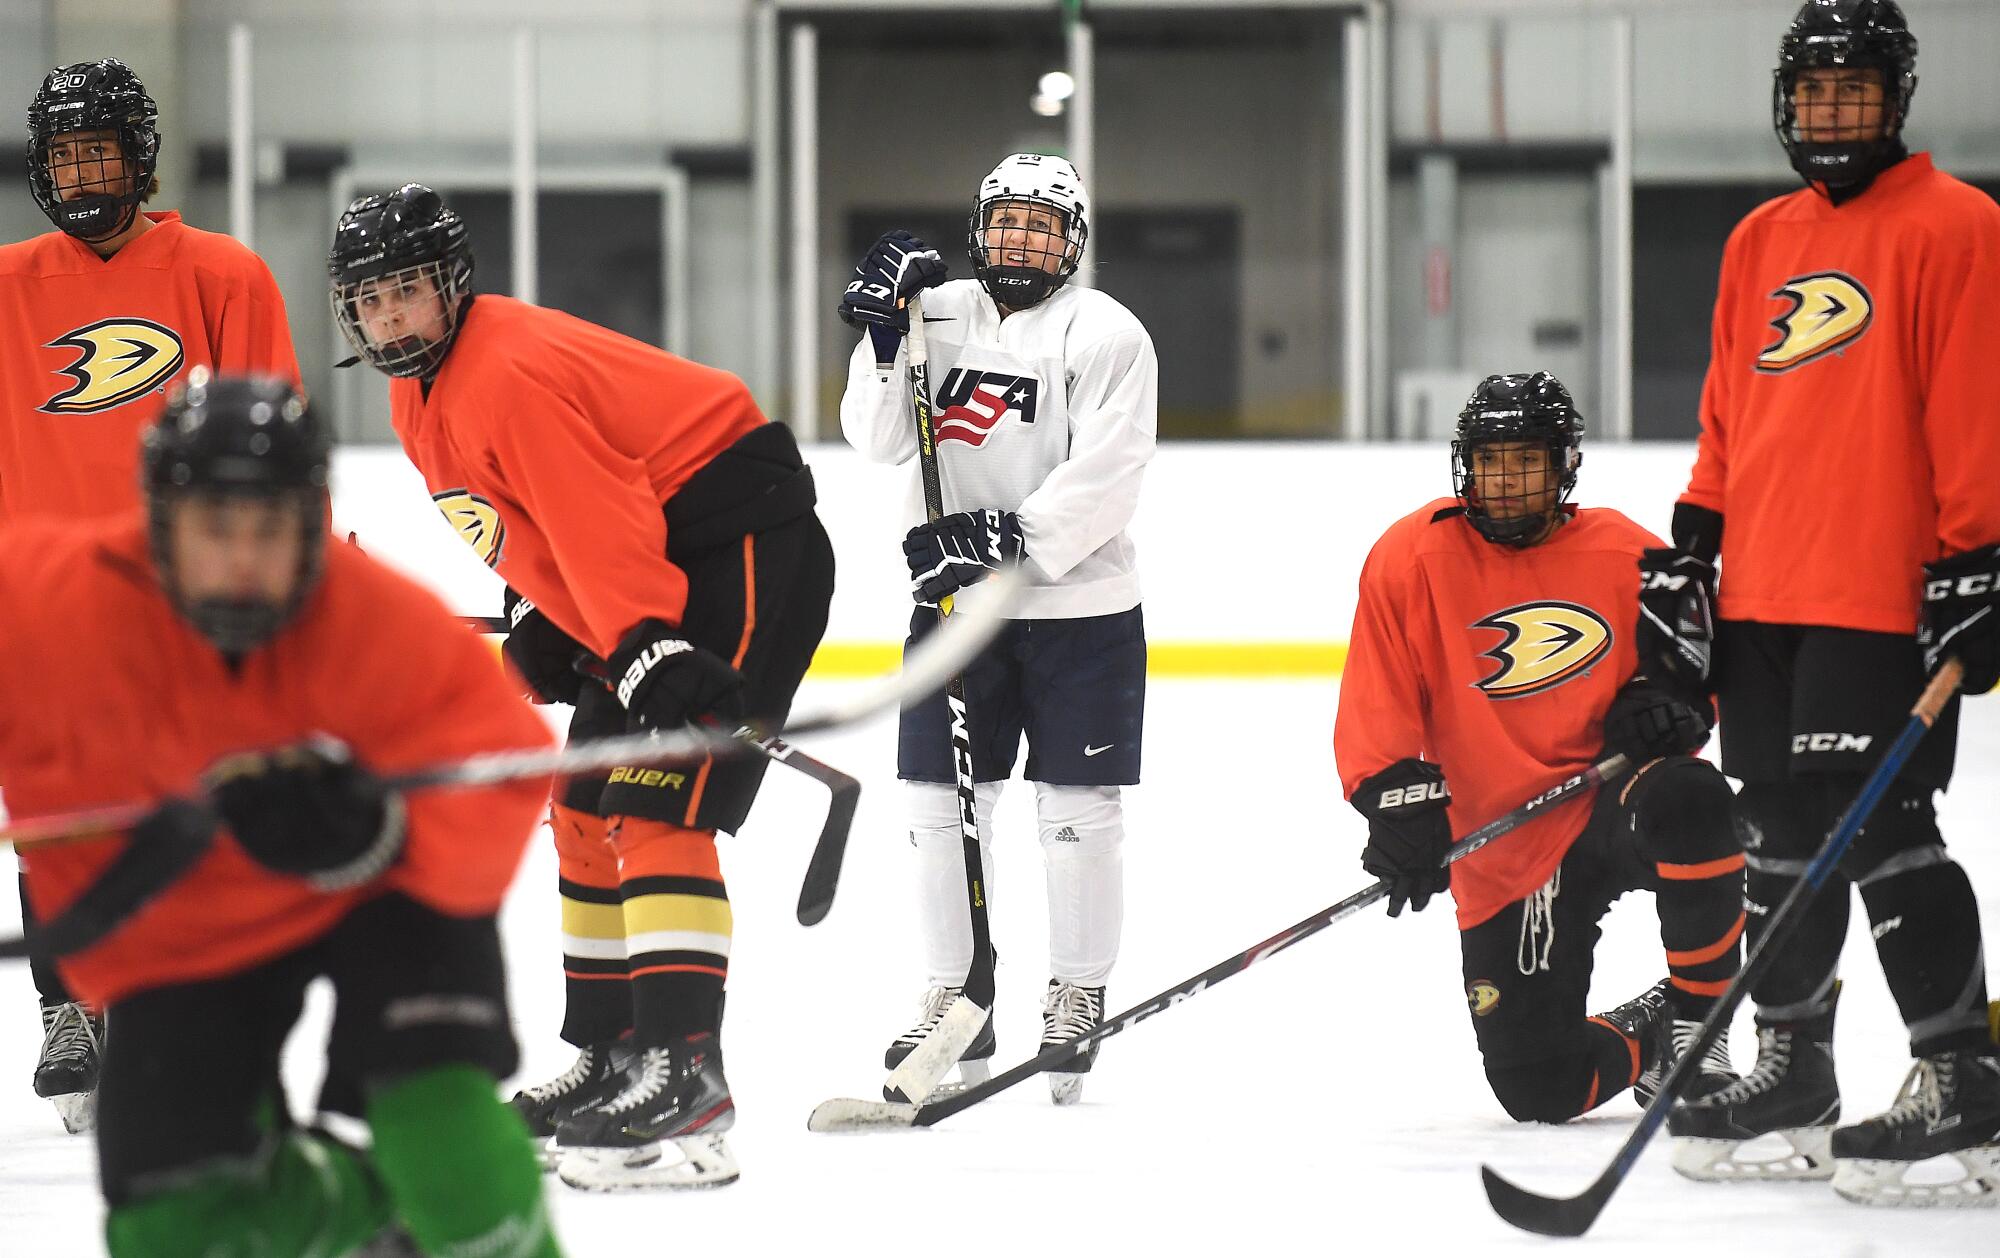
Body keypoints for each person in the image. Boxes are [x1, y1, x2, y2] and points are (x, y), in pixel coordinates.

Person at [328, 183, 834, 1190]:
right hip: (654, 566)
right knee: (579, 808)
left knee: (653, 807)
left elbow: (594, 508)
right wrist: (547, 621)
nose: (388, 317)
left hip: (738, 548)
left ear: (451, 285)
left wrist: (640, 637)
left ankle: (686, 1068)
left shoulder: (499, 372)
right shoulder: (417, 389)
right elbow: (527, 523)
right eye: (370, 299)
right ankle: (613, 1056)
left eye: (406, 293)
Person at [0, 375, 561, 1257]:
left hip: (384, 896)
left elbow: (502, 765)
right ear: (156, 522)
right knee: (170, 1221)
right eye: (214, 529)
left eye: (270, 530)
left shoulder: (373, 618)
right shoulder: (44, 605)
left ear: (311, 523)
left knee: (439, 1134)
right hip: (191, 927)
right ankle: (359, 1212)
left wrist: (379, 836)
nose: (243, 561)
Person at [1650, 0, 2000, 1207]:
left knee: (1885, 827)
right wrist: (1695, 546)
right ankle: (1794, 1074)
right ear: (1784, 100)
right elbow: (1725, 413)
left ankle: (1959, 1077)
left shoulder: (1957, 227)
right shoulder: (1758, 238)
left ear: (1894, 99)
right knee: (1780, 839)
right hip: (1765, 595)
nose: (1830, 112)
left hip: (1876, 596)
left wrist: (1978, 558)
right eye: (1813, 91)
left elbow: (1973, 406)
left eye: (1853, 90)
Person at [0, 56, 300, 1133]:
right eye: (65, 151)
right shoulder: (5, 285)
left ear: (140, 154)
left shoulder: (220, 274)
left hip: (183, 601)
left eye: (100, 149)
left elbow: (278, 439)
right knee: (51, 812)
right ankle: (67, 1004)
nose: (83, 170)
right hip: (41, 598)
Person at [1333, 372, 1746, 1126]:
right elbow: (1375, 707)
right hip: (1505, 850)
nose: (1506, 481)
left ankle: (1700, 1029)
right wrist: (1399, 813)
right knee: (1540, 1087)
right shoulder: (1410, 558)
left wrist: (1674, 707)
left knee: (1693, 798)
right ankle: (1652, 1034)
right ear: (1465, 468)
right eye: (1490, 462)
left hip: (1611, 801)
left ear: (1565, 467)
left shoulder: (1629, 552)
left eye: (1526, 460)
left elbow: (1703, 672)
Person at [837, 153, 1157, 1104]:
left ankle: (1076, 993)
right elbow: (877, 436)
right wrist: (883, 342)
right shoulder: (932, 313)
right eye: (1008, 222)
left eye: (1043, 226)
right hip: (953, 610)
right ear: (979, 228)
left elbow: (1111, 472)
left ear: (1073, 242)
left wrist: (1005, 534)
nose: (1023, 239)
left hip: (1079, 611)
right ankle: (954, 996)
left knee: (1075, 816)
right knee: (938, 807)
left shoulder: (1107, 333)